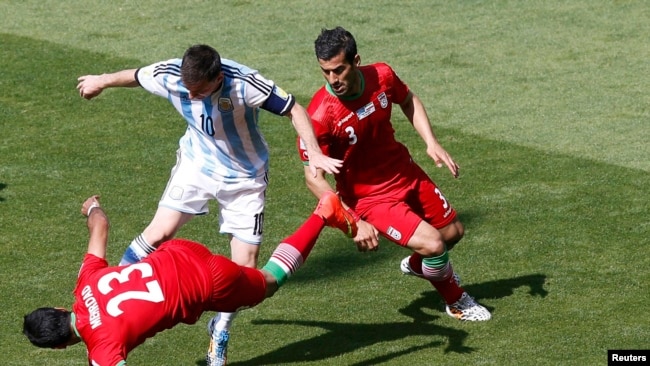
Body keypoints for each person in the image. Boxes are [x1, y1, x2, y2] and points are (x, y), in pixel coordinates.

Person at [76, 44, 343, 365]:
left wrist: (312, 150)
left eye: (198, 92)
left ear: (217, 79)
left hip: (245, 177)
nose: (190, 98)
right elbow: (135, 75)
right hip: (197, 164)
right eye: (187, 91)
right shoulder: (172, 75)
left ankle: (221, 328)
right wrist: (101, 80)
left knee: (245, 273)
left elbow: (294, 109)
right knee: (158, 232)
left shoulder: (244, 83)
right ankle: (112, 294)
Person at [23, 193, 356, 366]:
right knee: (246, 270)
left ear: (60, 346)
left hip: (207, 283)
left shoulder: (102, 351)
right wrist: (92, 206)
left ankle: (324, 212)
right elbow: (100, 227)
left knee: (267, 283)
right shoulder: (85, 284)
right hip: (179, 251)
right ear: (57, 307)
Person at [297, 27, 491, 321]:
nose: (333, 79)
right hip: (371, 199)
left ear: (356, 61)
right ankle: (455, 301)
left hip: (406, 173)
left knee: (452, 233)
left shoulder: (382, 76)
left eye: (339, 70)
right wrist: (352, 222)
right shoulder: (320, 115)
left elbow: (408, 99)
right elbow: (313, 177)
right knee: (434, 245)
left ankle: (418, 265)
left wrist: (431, 141)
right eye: (326, 72)